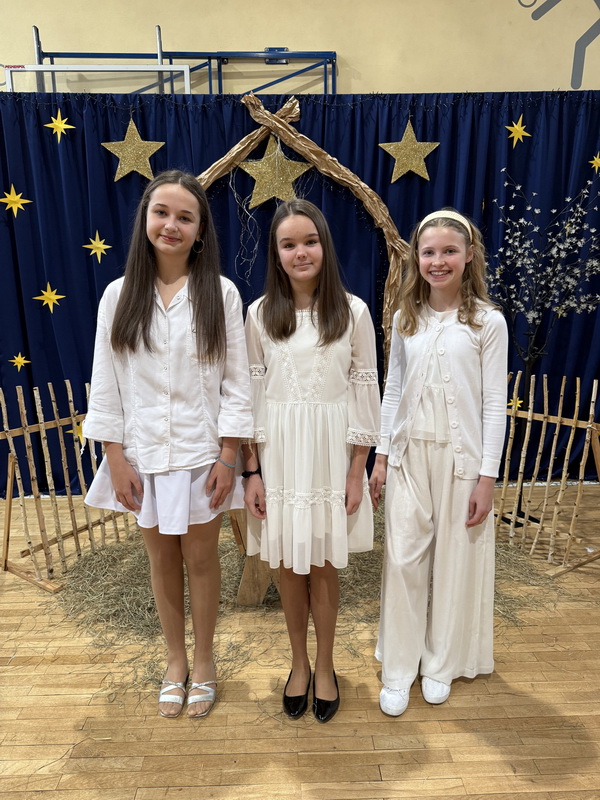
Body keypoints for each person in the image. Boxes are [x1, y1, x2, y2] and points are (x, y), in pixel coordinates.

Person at [83, 170, 253, 719]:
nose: (171, 225)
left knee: (201, 559)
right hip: (143, 456)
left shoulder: (220, 294)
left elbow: (236, 384)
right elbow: (106, 383)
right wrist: (115, 457)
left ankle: (204, 661)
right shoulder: (119, 295)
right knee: (161, 561)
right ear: (145, 219)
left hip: (203, 456)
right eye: (162, 212)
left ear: (200, 230)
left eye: (185, 216)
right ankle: (174, 659)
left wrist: (229, 456)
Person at [243, 199, 380, 723]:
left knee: (322, 564)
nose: (300, 252)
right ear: (276, 254)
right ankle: (297, 663)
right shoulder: (259, 315)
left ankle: (325, 666)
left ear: (325, 245)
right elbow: (250, 399)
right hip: (279, 456)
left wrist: (356, 470)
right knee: (286, 565)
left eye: (310, 241)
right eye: (288, 244)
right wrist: (252, 472)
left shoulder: (353, 312)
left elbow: (365, 392)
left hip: (328, 456)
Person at [369, 209, 508, 717]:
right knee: (403, 560)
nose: (438, 261)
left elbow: (494, 404)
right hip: (408, 457)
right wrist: (381, 456)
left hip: (461, 462)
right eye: (429, 252)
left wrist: (486, 477)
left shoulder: (488, 323)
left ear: (469, 255)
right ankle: (398, 667)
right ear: (417, 258)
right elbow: (393, 390)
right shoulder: (405, 318)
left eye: (449, 251)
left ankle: (440, 663)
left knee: (453, 564)